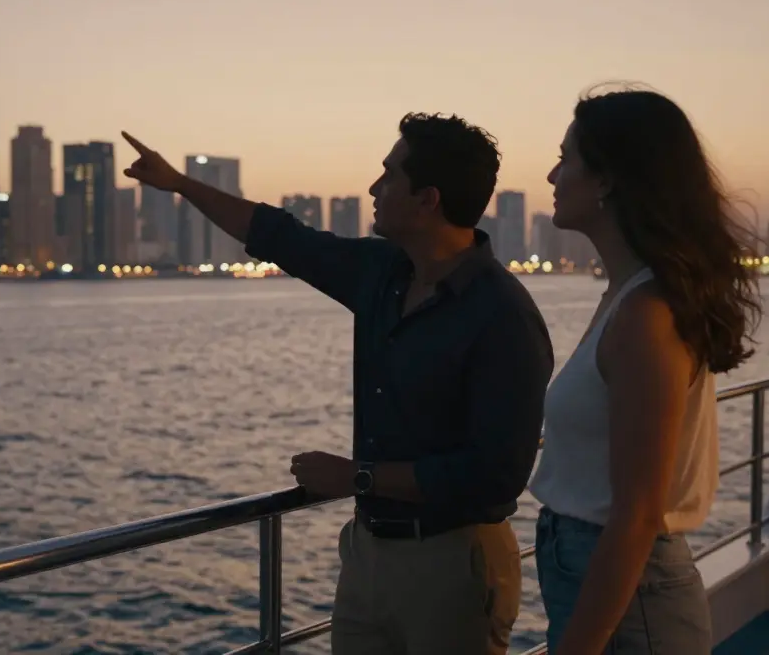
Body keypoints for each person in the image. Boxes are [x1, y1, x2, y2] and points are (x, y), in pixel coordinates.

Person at [121, 113, 554, 654]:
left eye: (389, 174)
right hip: (367, 556)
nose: (374, 187)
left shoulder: (502, 314)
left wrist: (358, 477)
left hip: (454, 565)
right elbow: (280, 236)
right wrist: (179, 184)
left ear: (427, 200)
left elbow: (496, 475)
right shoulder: (381, 273)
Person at [528, 86, 762, 654]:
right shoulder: (628, 296)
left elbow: (636, 515)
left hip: (629, 596)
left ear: (606, 180)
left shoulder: (645, 316)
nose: (552, 176)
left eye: (566, 159)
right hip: (597, 572)